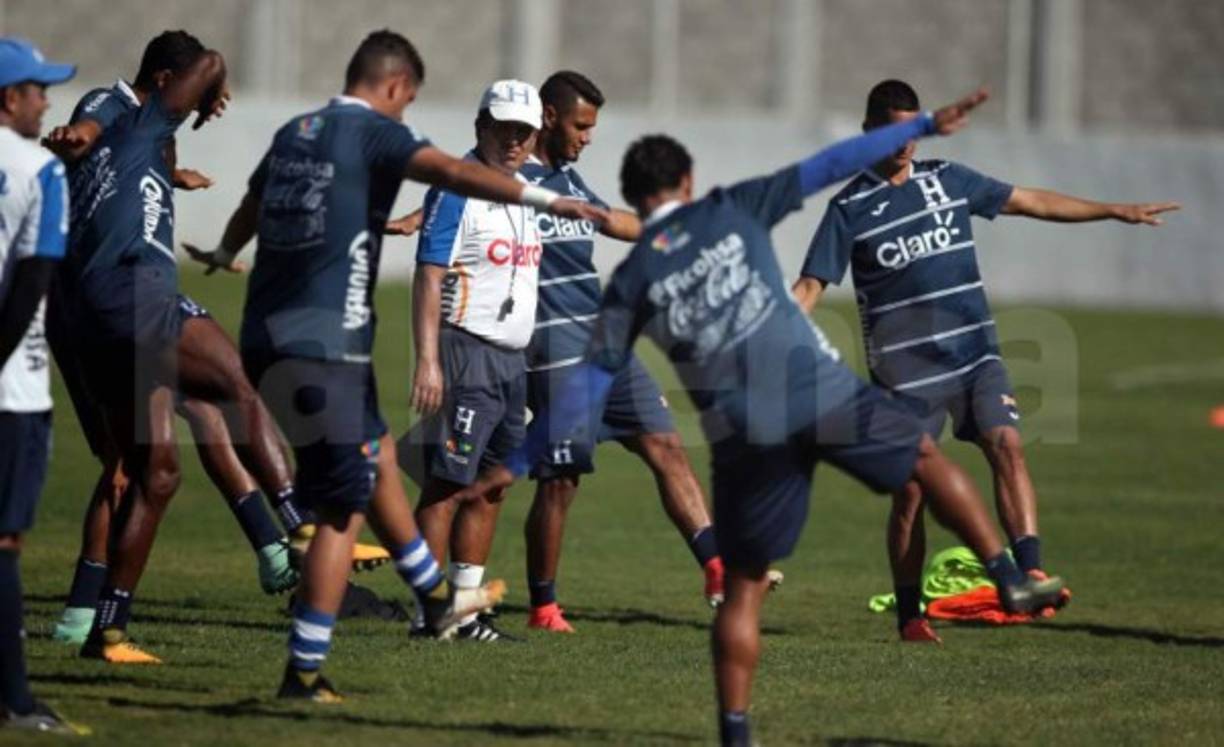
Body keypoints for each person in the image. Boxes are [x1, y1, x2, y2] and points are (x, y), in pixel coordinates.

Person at [475, 88, 1068, 746]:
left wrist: (519, 461)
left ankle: (735, 731)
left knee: (745, 590)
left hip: (743, 435)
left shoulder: (634, 277)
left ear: (636, 199)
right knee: (927, 463)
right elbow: (831, 163)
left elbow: (588, 383)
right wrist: (929, 124)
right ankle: (1009, 576)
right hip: (818, 390)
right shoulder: (735, 207)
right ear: (688, 181)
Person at [196, 30, 605, 700]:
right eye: (408, 100)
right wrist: (545, 198)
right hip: (329, 336)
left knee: (380, 459)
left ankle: (431, 595)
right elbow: (453, 172)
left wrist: (222, 248)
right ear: (392, 87)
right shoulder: (374, 133)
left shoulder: (295, 131)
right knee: (343, 506)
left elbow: (250, 203)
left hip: (272, 332)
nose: (406, 114)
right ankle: (402, 604)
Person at [790, 79, 1178, 642]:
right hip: (907, 375)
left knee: (1008, 444)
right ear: (871, 130)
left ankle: (1031, 571)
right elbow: (809, 285)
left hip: (975, 356)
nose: (906, 144)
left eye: (913, 130)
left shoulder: (949, 181)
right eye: (895, 131)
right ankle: (909, 613)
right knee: (913, 495)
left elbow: (1030, 201)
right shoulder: (848, 209)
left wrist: (1112, 211)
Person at [520, 71, 726, 632]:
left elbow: (613, 221)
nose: (588, 137)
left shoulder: (571, 179)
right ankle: (543, 606)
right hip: (553, 345)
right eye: (581, 125)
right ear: (548, 116)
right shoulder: (507, 180)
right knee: (561, 481)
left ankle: (716, 566)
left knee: (665, 443)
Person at [59, 37, 229, 665]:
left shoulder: (148, 128)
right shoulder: (118, 102)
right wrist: (76, 135)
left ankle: (92, 621)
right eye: (186, 96)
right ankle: (293, 533)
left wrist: (169, 176)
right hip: (107, 304)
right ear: (164, 81)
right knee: (135, 459)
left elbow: (119, 176)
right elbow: (87, 127)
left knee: (149, 467)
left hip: (123, 301)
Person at [407, 78, 549, 642]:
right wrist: (428, 360)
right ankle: (428, 610)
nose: (514, 140)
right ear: (480, 126)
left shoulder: (526, 190)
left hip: (512, 360)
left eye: (524, 131)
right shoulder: (455, 188)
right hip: (465, 351)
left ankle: (464, 611)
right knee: (447, 482)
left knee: (492, 484)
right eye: (504, 128)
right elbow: (428, 273)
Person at [0, 36, 88, 734]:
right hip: (12, 390)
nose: (47, 101)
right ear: (10, 99)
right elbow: (33, 280)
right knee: (4, 544)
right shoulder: (40, 170)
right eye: (37, 91)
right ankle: (17, 698)